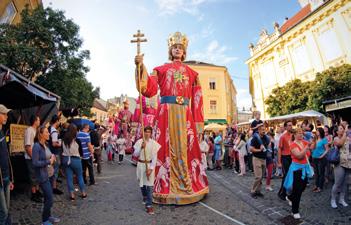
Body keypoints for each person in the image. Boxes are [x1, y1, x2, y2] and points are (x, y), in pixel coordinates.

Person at [134, 31, 208, 204]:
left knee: (186, 147)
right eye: (174, 47)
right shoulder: (160, 69)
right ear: (170, 50)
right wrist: (140, 67)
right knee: (164, 148)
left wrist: (198, 124)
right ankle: (162, 184)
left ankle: (188, 182)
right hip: (166, 112)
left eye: (180, 48)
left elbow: (197, 99)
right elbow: (149, 89)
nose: (177, 50)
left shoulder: (193, 74)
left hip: (185, 114)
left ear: (184, 52)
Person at [32, 126, 60, 225]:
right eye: (46, 132)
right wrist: (49, 161)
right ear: (40, 134)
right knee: (50, 198)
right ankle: (44, 220)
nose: (49, 134)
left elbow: (48, 155)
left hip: (49, 174)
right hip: (42, 176)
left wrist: (52, 156)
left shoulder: (45, 144)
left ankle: (48, 216)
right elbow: (35, 163)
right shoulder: (36, 146)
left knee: (49, 197)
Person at [284, 128, 313, 219]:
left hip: (305, 168)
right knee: (297, 190)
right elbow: (299, 156)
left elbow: (310, 151)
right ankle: (294, 211)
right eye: (299, 133)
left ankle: (290, 197)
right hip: (297, 169)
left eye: (301, 133)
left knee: (303, 187)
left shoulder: (304, 142)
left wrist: (313, 142)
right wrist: (307, 147)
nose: (301, 135)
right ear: (295, 135)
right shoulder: (292, 145)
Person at [133, 126, 161, 214]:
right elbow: (135, 154)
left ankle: (149, 205)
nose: (147, 133)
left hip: (149, 165)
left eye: (149, 132)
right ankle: (144, 196)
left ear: (151, 133)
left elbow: (155, 158)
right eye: (146, 132)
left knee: (149, 186)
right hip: (140, 165)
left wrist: (151, 169)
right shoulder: (139, 142)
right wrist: (141, 147)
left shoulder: (154, 144)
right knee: (141, 184)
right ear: (143, 132)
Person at [62, 124, 87, 201]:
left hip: (66, 159)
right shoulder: (77, 140)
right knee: (79, 176)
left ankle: (72, 195)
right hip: (75, 159)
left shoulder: (63, 140)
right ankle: (83, 193)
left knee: (69, 178)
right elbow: (81, 153)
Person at [330, 123, 350, 208]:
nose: (343, 129)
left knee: (345, 183)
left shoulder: (348, 138)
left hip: (348, 163)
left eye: (344, 128)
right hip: (339, 163)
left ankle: (341, 199)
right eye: (341, 128)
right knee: (337, 183)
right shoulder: (336, 138)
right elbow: (340, 144)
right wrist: (345, 132)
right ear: (337, 131)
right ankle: (333, 199)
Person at [0, 105, 14, 225]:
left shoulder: (2, 132)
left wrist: (9, 179)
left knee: (7, 210)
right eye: (4, 114)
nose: (6, 116)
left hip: (5, 177)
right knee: (3, 211)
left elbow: (5, 157)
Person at [24, 115, 42, 202]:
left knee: (37, 175)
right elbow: (28, 146)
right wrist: (33, 158)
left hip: (36, 158)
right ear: (35, 121)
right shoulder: (29, 130)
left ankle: (37, 191)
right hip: (31, 158)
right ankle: (33, 194)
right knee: (33, 176)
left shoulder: (36, 130)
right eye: (38, 120)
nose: (39, 121)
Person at [250, 125, 269, 198]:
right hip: (256, 158)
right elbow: (251, 149)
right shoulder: (255, 139)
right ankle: (253, 191)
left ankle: (258, 191)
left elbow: (267, 145)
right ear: (259, 130)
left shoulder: (265, 138)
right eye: (262, 130)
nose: (264, 131)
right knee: (258, 176)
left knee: (261, 177)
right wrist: (259, 150)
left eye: (264, 130)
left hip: (264, 159)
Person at [277, 121, 293, 201]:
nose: (291, 127)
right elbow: (279, 149)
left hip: (291, 157)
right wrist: (279, 162)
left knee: (290, 175)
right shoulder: (283, 137)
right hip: (285, 157)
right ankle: (282, 193)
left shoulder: (292, 136)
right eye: (289, 125)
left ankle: (286, 192)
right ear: (286, 127)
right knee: (286, 175)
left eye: (291, 125)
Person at [48, 115, 63, 195]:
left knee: (51, 171)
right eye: (58, 121)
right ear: (56, 121)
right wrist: (60, 144)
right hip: (54, 153)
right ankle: (53, 187)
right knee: (55, 171)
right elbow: (54, 144)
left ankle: (51, 186)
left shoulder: (49, 128)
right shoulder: (54, 131)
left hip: (50, 152)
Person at [311, 127, 329, 193]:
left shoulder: (324, 139)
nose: (317, 132)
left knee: (321, 173)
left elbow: (327, 149)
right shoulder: (315, 139)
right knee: (316, 173)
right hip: (314, 158)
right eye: (316, 131)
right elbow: (312, 148)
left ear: (321, 132)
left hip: (321, 159)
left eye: (318, 131)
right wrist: (312, 142)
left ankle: (320, 187)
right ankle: (316, 185)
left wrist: (322, 156)